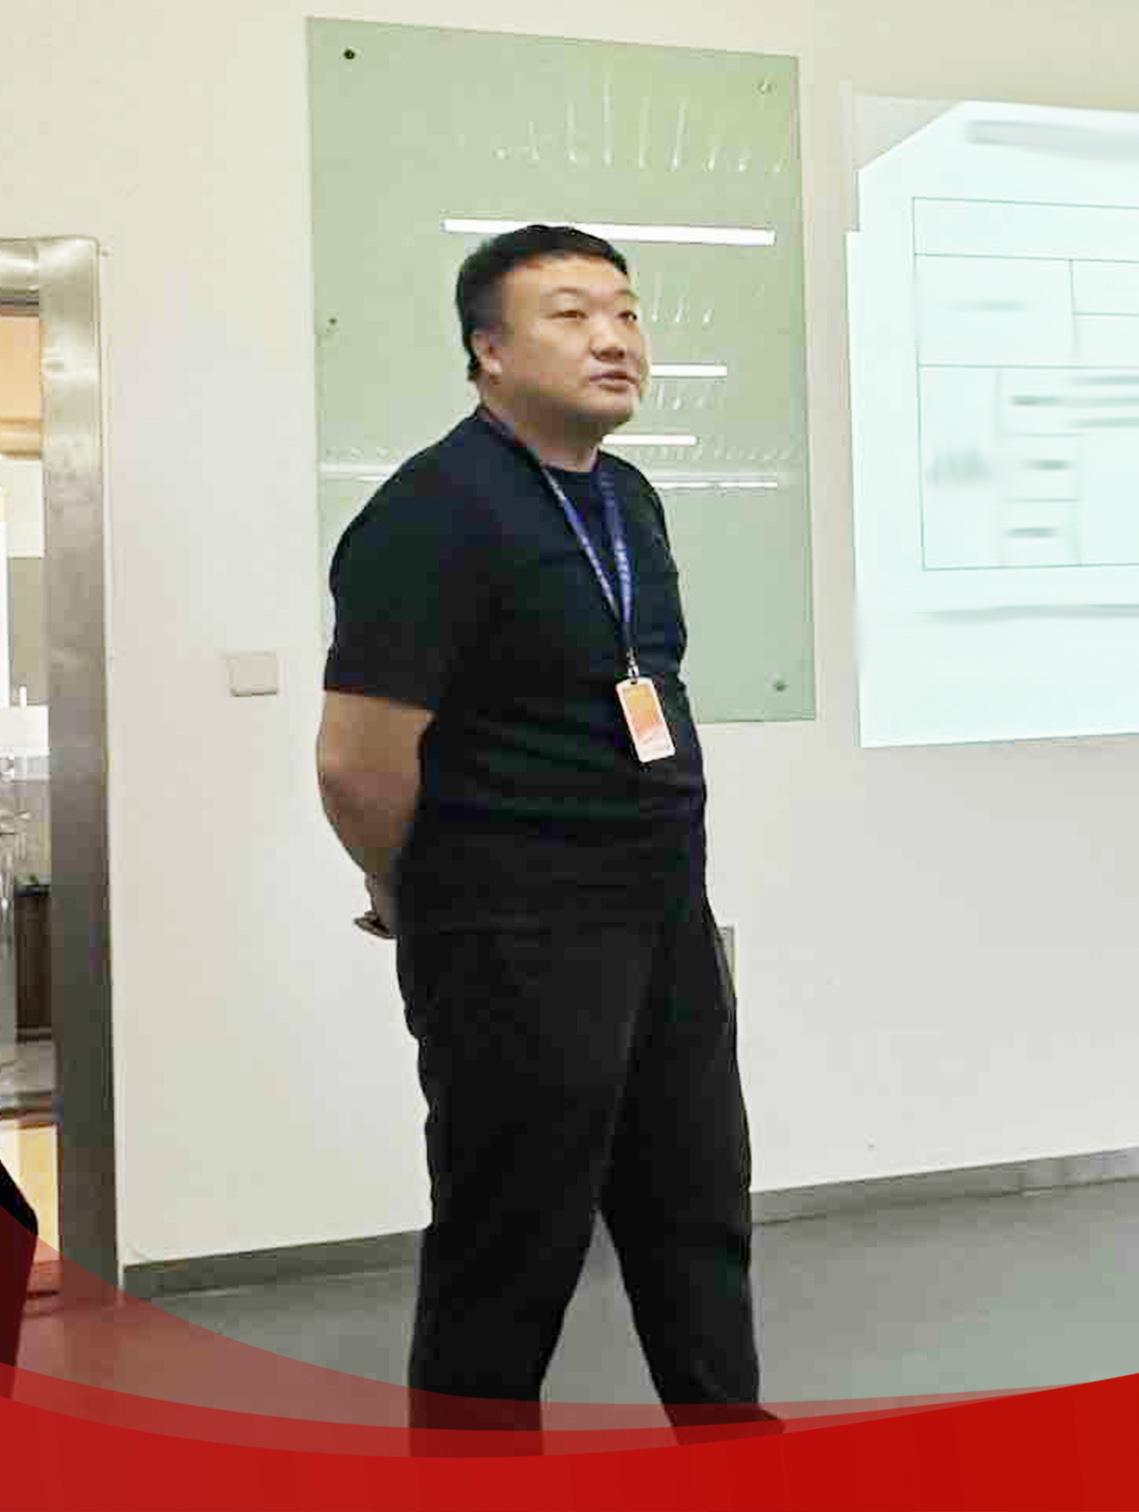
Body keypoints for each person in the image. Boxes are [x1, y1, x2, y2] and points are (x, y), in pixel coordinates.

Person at [315, 224, 759, 1436]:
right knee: (513, 1236)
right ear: (489, 352)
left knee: (696, 1207)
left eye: (626, 311)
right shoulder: (432, 512)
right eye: (570, 314)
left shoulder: (627, 498)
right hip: (514, 932)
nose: (614, 338)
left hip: (662, 913)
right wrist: (410, 895)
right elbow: (357, 760)